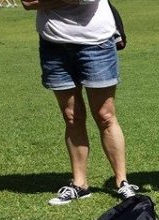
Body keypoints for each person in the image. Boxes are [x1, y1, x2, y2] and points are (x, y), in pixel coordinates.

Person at [24, 0, 135, 205]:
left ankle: (122, 182)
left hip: (96, 42)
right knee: (71, 117)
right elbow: (28, 2)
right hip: (53, 44)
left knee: (105, 116)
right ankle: (80, 184)